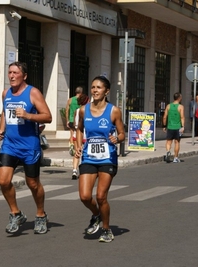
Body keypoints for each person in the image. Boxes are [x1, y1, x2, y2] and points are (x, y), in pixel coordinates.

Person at [0, 62, 52, 234]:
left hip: (29, 146)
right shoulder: (6, 93)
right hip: (10, 145)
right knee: (3, 181)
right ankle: (15, 213)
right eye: (9, 72)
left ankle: (40, 214)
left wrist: (28, 115)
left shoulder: (33, 93)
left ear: (24, 76)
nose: (11, 76)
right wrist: (1, 129)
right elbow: (5, 112)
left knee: (32, 184)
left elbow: (47, 117)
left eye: (15, 73)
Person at [74, 76, 125, 243]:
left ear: (106, 91)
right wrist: (78, 145)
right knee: (84, 196)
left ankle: (106, 228)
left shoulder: (114, 111)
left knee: (101, 196)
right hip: (89, 157)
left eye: (99, 87)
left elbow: (122, 133)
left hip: (107, 158)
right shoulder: (83, 110)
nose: (95, 90)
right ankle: (96, 215)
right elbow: (80, 129)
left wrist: (117, 139)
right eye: (93, 87)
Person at [71, 93, 90, 180]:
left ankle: (74, 170)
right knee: (85, 153)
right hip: (85, 134)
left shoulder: (77, 111)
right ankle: (83, 170)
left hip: (76, 134)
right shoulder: (87, 110)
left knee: (77, 152)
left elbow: (75, 123)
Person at [162, 92, 185, 163]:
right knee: (177, 142)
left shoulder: (168, 106)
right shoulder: (180, 107)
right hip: (177, 127)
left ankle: (168, 151)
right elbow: (182, 117)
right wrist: (182, 126)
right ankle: (176, 157)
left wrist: (164, 126)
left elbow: (165, 116)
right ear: (179, 98)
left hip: (170, 127)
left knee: (168, 141)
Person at [66, 86, 83, 154]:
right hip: (79, 120)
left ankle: (71, 147)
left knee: (72, 134)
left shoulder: (70, 100)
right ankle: (78, 148)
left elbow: (67, 110)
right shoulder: (82, 100)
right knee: (79, 134)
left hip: (71, 120)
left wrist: (67, 120)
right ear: (81, 92)